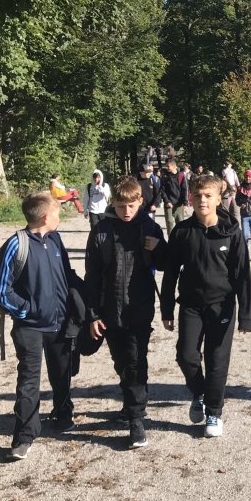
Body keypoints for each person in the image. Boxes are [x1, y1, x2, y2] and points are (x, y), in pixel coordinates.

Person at [161, 174, 251, 438]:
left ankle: (214, 411)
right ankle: (200, 393)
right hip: (190, 305)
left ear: (218, 199)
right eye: (198, 196)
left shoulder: (232, 232)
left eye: (208, 196)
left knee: (217, 361)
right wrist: (166, 309)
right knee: (186, 355)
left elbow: (242, 275)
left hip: (221, 306)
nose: (202, 200)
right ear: (190, 198)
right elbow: (170, 273)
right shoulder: (182, 232)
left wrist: (245, 314)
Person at [0, 192, 82, 460]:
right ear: (45, 217)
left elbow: (66, 275)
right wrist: (29, 311)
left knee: (62, 372)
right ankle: (24, 436)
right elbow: (1, 291)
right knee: (29, 380)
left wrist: (86, 302)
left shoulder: (55, 239)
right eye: (57, 213)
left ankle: (63, 413)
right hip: (29, 327)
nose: (59, 217)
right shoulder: (15, 245)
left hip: (59, 323)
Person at [84, 176, 166, 449]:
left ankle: (136, 419)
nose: (127, 211)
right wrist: (93, 314)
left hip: (139, 308)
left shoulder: (150, 227)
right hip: (109, 310)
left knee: (135, 362)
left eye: (131, 205)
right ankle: (132, 402)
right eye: (121, 206)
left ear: (140, 201)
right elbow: (92, 275)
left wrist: (159, 248)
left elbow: (165, 263)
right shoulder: (101, 231)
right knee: (120, 361)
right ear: (113, 203)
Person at [160, 159, 191, 234]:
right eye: (166, 166)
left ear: (174, 166)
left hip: (179, 203)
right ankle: (171, 239)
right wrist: (167, 201)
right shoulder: (164, 176)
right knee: (169, 222)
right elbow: (162, 190)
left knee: (180, 222)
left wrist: (186, 203)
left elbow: (185, 189)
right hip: (169, 203)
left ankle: (180, 238)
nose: (167, 168)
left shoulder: (181, 175)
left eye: (168, 166)